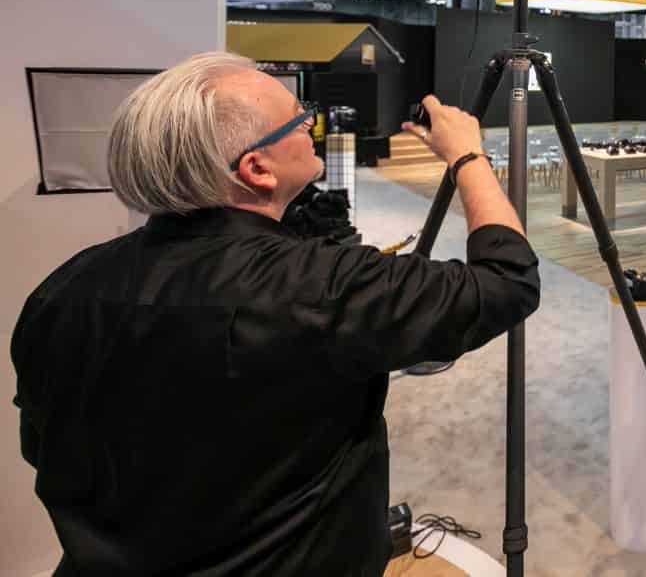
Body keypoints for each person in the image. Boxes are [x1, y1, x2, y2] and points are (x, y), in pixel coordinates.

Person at [11, 52, 540, 576]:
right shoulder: (321, 287)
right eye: (297, 118)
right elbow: (506, 281)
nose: (311, 122)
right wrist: (468, 156)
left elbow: (43, 448)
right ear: (257, 169)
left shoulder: (61, 289)